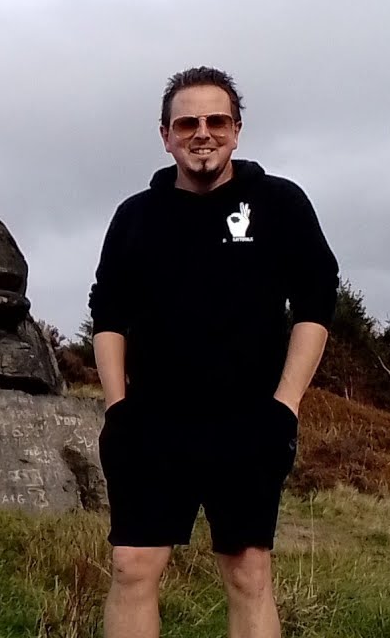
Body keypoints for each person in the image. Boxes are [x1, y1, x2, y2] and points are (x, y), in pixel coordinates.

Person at [87, 66, 339, 638]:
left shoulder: (281, 203)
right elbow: (109, 314)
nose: (202, 133)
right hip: (149, 421)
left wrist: (286, 405)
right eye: (187, 123)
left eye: (216, 120)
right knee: (131, 568)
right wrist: (116, 407)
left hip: (250, 420)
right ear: (166, 135)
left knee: (249, 573)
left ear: (237, 129)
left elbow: (316, 304)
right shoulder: (135, 217)